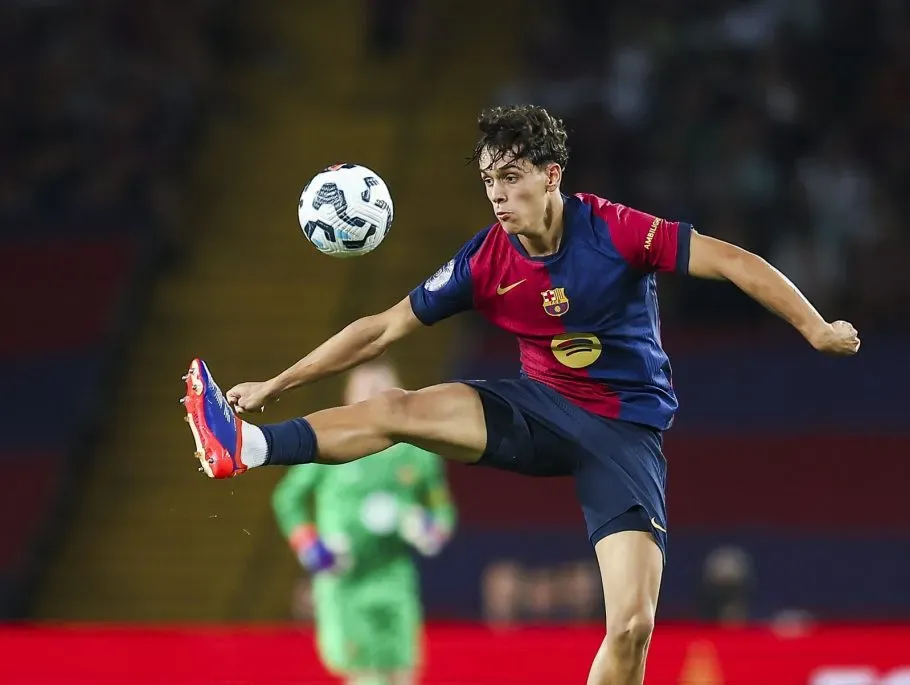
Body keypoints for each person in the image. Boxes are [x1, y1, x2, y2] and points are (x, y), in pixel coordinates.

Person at [181, 104, 860, 685]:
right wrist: (275, 384)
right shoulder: (486, 261)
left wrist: (817, 326)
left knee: (631, 626)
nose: (499, 197)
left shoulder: (616, 231)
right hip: (538, 409)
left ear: (550, 176)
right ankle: (247, 446)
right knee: (397, 410)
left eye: (511, 178)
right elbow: (381, 328)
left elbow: (734, 260)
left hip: (622, 434)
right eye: (488, 182)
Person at [271, 359, 455, 685]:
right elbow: (288, 499)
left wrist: (428, 529)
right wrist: (311, 547)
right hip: (346, 582)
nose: (374, 399)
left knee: (404, 674)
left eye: (382, 391)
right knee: (366, 678)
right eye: (366, 392)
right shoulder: (330, 444)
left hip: (395, 580)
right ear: (349, 398)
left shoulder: (418, 453)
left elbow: (442, 512)